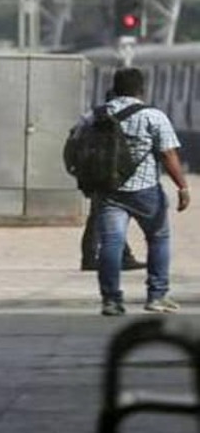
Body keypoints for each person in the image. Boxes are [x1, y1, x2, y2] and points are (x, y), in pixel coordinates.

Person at [89, 68, 188, 316]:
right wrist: (182, 186)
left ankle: (111, 300)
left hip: (108, 191)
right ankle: (157, 296)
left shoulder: (94, 116)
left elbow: (76, 148)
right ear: (141, 89)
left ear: (115, 87)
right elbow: (168, 155)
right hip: (145, 191)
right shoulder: (153, 116)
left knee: (111, 243)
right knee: (158, 238)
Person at [77, 89, 145, 272]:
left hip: (96, 174)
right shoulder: (140, 116)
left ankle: (114, 256)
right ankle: (95, 257)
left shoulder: (90, 117)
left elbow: (74, 144)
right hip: (123, 174)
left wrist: (78, 171)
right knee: (108, 215)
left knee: (103, 213)